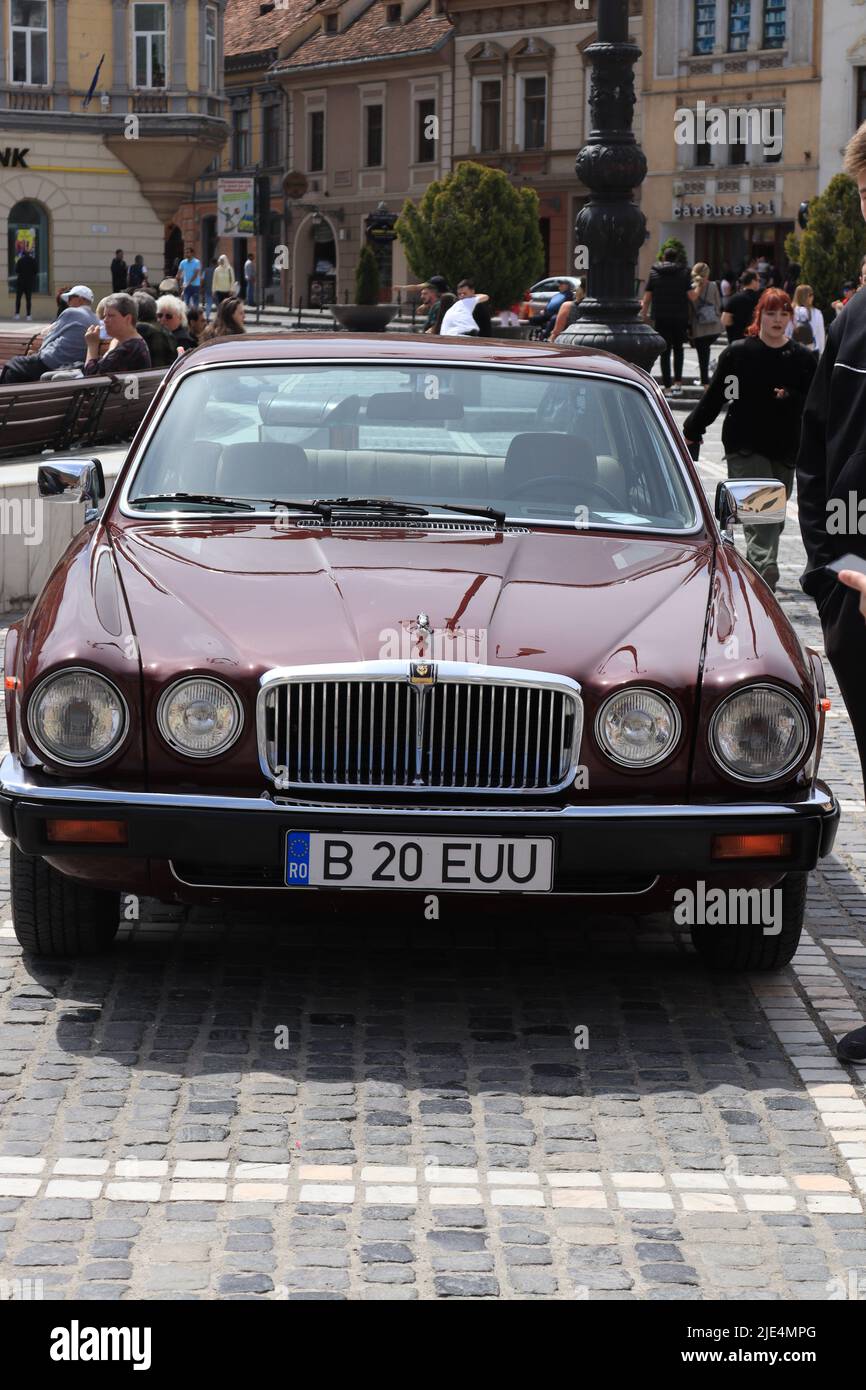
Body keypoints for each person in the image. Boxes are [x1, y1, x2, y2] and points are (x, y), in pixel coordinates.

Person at [683, 287, 817, 593]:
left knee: (774, 516)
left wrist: (792, 397)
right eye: (771, 313)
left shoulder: (802, 358)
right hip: (745, 443)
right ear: (760, 315)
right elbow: (716, 396)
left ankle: (760, 565)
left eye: (784, 313)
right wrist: (693, 428)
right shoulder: (739, 353)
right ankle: (762, 566)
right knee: (760, 510)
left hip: (785, 447)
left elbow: (817, 404)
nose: (778, 319)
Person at [0, 285, 99, 382]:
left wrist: (40, 353)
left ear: (80, 299)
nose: (68, 302)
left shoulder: (71, 312)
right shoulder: (95, 319)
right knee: (17, 370)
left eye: (70, 298)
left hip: (52, 360)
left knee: (13, 363)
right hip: (71, 364)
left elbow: (51, 336)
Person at [640, 248, 692, 394]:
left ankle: (667, 387)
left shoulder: (654, 272)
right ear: (676, 258)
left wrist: (643, 315)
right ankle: (678, 383)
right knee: (679, 349)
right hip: (680, 317)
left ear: (663, 257)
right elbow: (691, 296)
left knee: (665, 351)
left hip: (661, 317)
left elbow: (648, 296)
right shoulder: (684, 273)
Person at [83, 292, 151, 375]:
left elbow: (92, 377)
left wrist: (92, 345)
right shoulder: (130, 343)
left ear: (128, 319)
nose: (105, 320)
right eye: (104, 316)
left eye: (111, 316)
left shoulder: (127, 349)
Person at [688, 261, 723, 386]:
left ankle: (705, 381)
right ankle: (706, 380)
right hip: (713, 326)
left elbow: (690, 308)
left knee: (702, 353)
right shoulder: (713, 286)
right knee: (706, 351)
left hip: (698, 326)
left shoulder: (691, 288)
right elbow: (718, 305)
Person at [132, 290, 179, 368]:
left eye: (168, 316)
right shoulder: (167, 332)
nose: (163, 319)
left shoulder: (135, 332)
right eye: (160, 315)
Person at [721, 269, 761, 343]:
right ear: (753, 281)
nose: (759, 283)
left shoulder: (734, 298)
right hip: (756, 340)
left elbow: (725, 320)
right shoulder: (761, 299)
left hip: (737, 340)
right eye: (758, 280)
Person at [789, 284, 825, 354]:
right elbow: (820, 336)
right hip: (811, 351)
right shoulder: (817, 313)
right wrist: (821, 353)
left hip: (793, 350)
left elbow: (786, 333)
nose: (813, 297)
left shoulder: (789, 312)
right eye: (811, 294)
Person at [13, 247, 37, 320]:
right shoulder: (33, 260)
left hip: (20, 282)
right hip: (29, 282)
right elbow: (35, 271)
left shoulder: (20, 260)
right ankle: (28, 315)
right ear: (29, 254)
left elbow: (17, 270)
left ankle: (17, 314)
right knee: (28, 299)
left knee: (18, 299)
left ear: (23, 254)